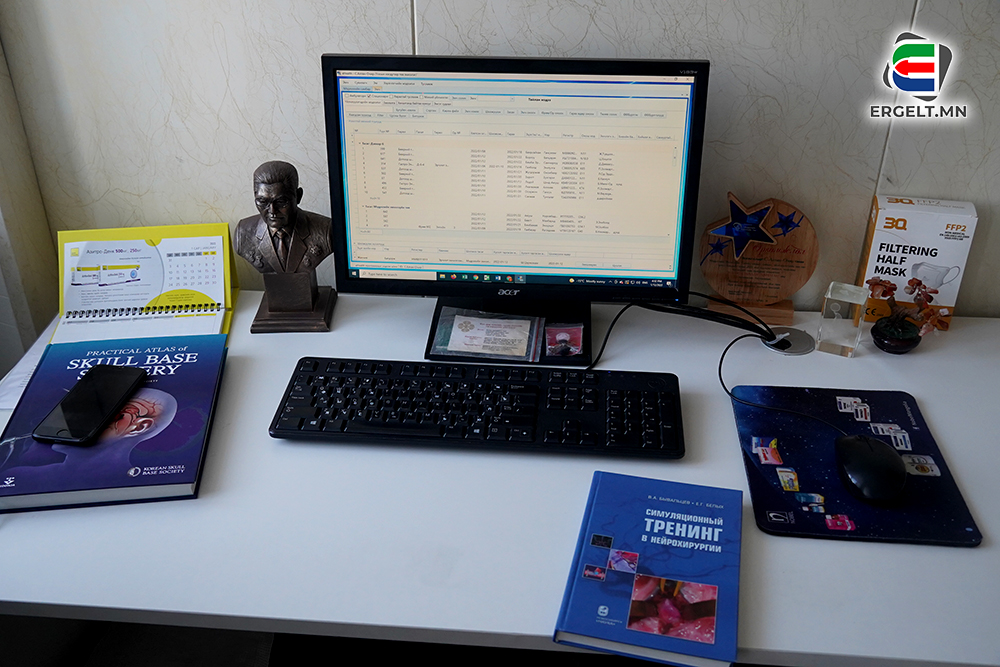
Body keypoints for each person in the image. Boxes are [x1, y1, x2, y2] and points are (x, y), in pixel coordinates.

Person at [0, 388, 178, 487]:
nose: (72, 418)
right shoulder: (19, 477)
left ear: (138, 427)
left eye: (101, 411)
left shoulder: (145, 483)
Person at [234, 161, 333, 274]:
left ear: (298, 196)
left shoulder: (326, 230)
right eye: (262, 201)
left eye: (281, 202)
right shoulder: (243, 233)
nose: (272, 211)